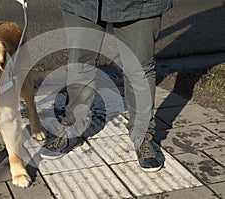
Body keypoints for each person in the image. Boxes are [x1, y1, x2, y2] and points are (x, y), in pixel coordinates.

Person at [40, 0, 172, 172]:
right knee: (79, 64)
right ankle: (73, 127)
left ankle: (142, 134)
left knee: (138, 68)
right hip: (82, 4)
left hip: (139, 5)